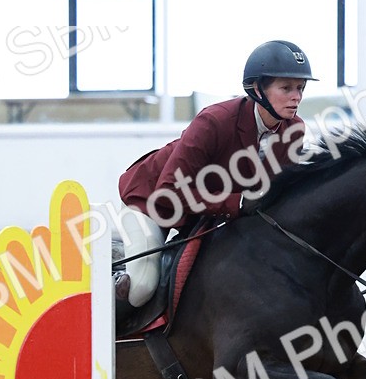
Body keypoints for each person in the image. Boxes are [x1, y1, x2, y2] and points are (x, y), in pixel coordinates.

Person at [114, 39, 315, 309]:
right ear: (257, 89)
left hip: (202, 216)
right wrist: (238, 201)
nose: (296, 97)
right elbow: (169, 191)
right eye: (286, 88)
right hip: (151, 203)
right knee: (142, 287)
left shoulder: (294, 130)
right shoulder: (214, 120)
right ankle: (112, 273)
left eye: (300, 88)